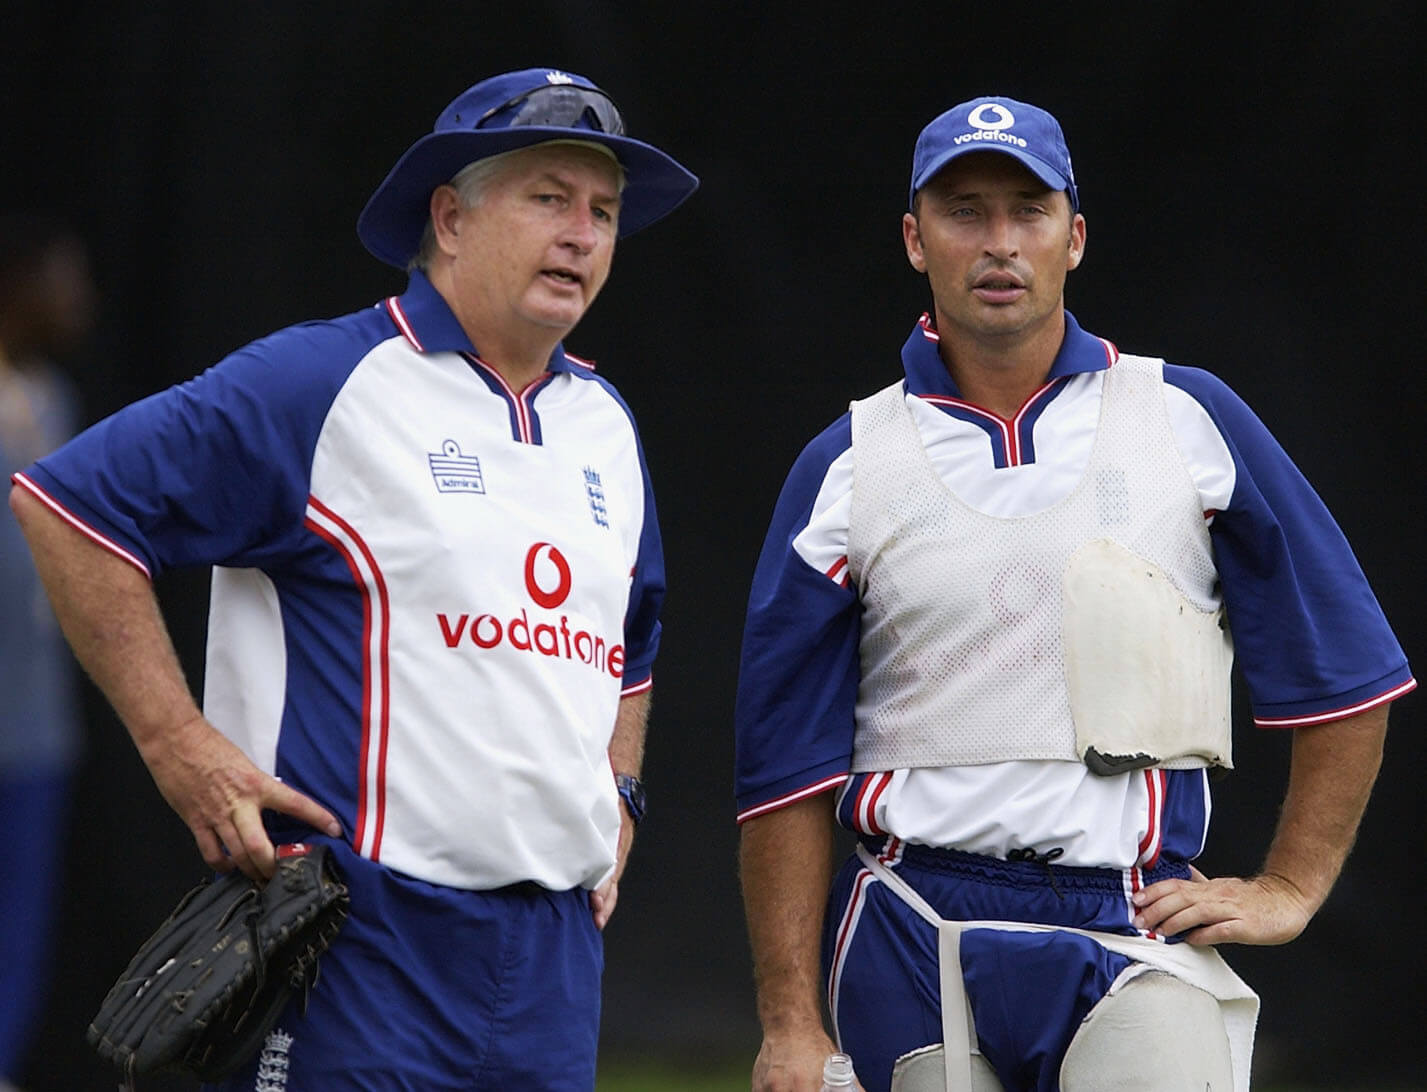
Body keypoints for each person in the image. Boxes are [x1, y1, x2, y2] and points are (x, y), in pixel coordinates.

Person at [9, 68, 696, 1090]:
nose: (584, 234)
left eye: (602, 211)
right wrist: (177, 743)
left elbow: (631, 637)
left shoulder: (604, 422)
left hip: (553, 957)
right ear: (450, 219)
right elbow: (68, 506)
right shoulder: (323, 382)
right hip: (355, 939)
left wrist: (622, 793)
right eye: (548, 197)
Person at [734, 95, 1414, 1092]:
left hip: (1129, 918)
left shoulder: (1184, 419)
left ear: (1074, 237)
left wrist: (1289, 886)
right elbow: (780, 772)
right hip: (907, 926)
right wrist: (789, 1022)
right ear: (914, 240)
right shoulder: (845, 461)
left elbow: (1348, 667)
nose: (998, 242)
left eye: (1028, 211)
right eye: (964, 212)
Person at [0, 212, 97, 1090]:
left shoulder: (55, 399)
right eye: (60, 281)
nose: (77, 303)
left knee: (20, 926)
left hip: (33, 726)